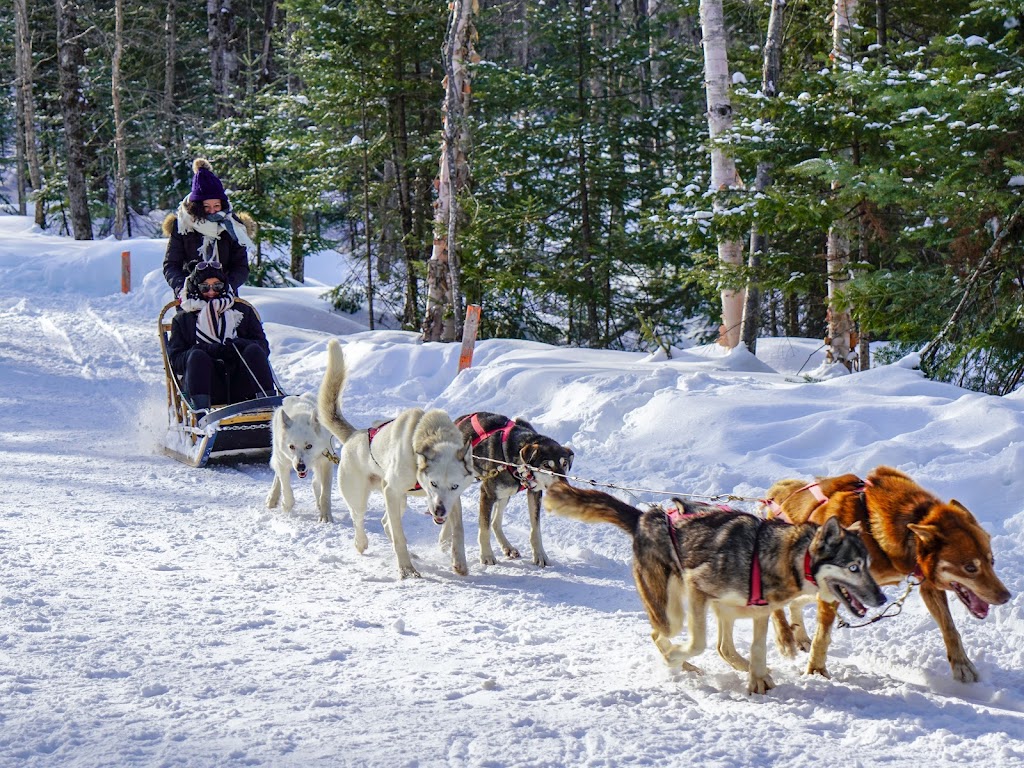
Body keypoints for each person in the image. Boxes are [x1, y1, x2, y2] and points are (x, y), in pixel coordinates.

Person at [166, 262, 274, 410]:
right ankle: (201, 416)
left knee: (254, 350)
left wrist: (241, 344)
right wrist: (204, 349)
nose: (211, 292)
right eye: (205, 287)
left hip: (241, 384)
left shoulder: (243, 311)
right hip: (206, 385)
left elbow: (264, 349)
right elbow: (175, 361)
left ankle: (268, 407)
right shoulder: (183, 319)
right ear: (196, 288)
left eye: (217, 286)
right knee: (197, 356)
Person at [162, 158, 255, 298]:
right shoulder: (182, 227)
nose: (213, 211)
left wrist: (226, 286)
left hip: (225, 296)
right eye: (206, 207)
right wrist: (182, 287)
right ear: (197, 206)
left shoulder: (233, 226)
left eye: (216, 206)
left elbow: (240, 266)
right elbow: (171, 265)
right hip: (189, 297)